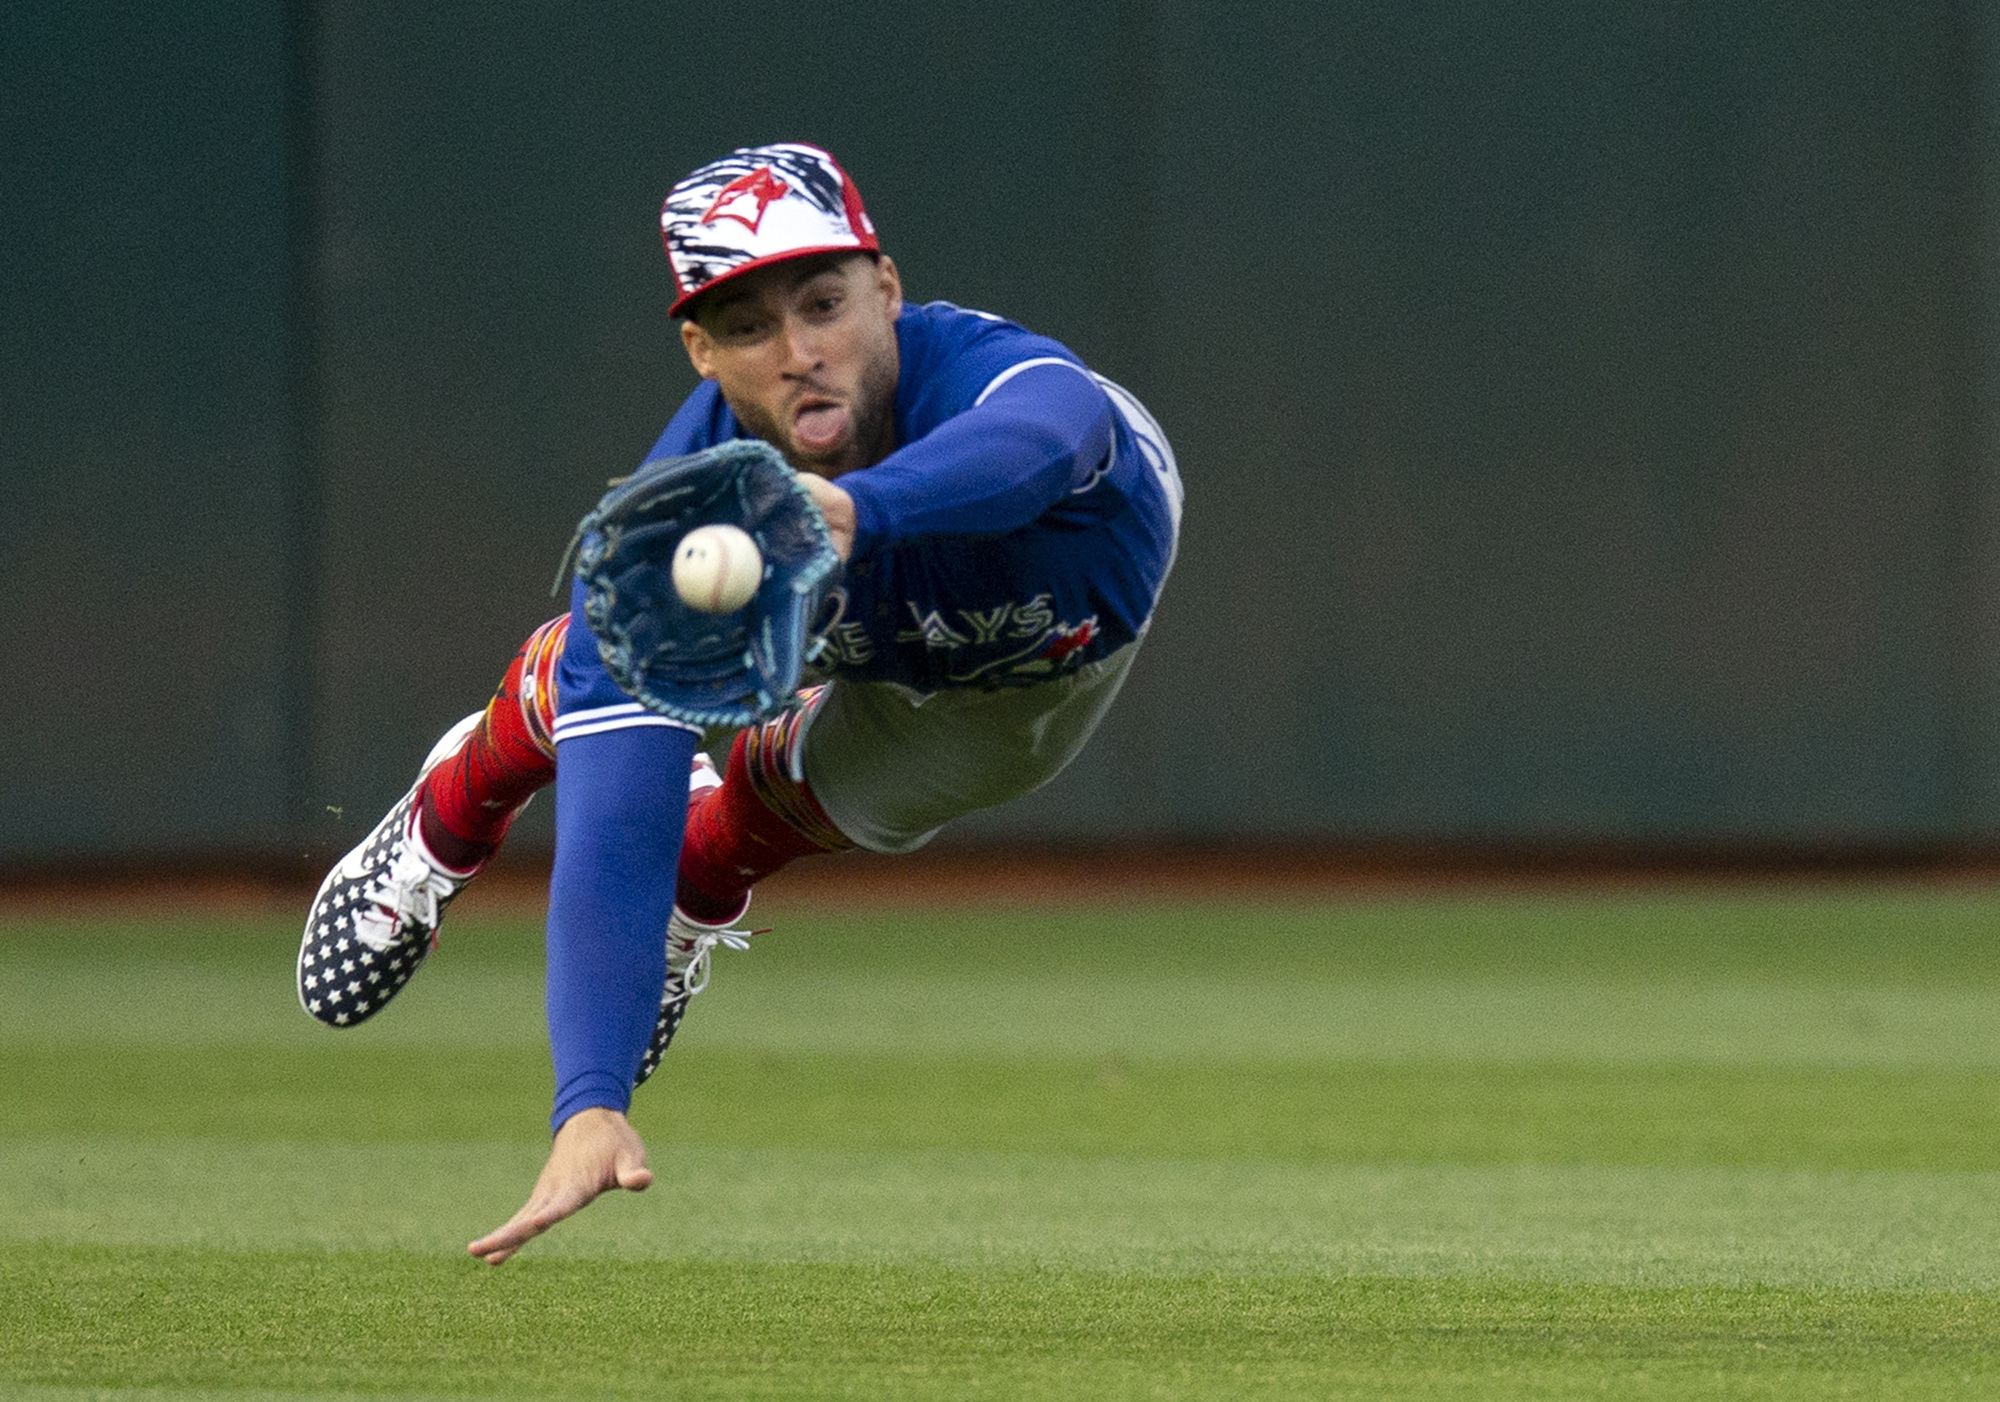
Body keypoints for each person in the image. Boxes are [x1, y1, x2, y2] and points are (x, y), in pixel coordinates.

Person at [296, 142, 1183, 1264]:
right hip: (828, 589)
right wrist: (589, 1100)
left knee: (787, 816)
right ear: (700, 352)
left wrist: (855, 510)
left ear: (888, 290)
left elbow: (1048, 437)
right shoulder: (676, 525)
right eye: (750, 327)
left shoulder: (992, 378)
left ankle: (699, 894)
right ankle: (454, 805)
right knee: (602, 677)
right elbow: (615, 830)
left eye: (824, 303)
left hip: (1030, 672)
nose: (802, 353)